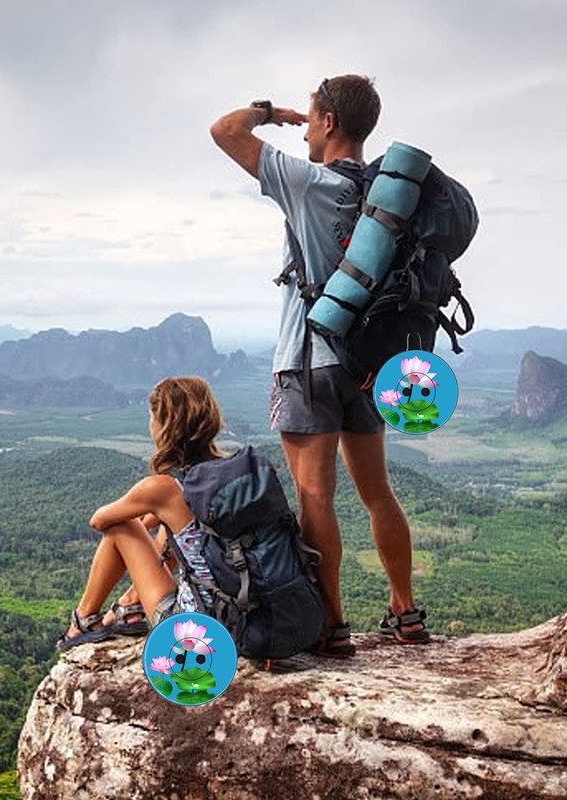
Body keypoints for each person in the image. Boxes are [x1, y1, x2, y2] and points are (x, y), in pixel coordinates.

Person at [209, 75, 429, 656]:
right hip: (370, 362)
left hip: (309, 361)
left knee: (315, 498)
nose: (304, 131)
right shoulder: (387, 196)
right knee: (378, 493)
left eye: (310, 120)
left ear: (329, 123)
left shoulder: (309, 183)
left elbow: (224, 130)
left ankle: (331, 625)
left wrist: (269, 112)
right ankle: (405, 612)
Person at [56, 376, 225, 651]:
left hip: (194, 631)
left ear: (164, 425)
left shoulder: (163, 488)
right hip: (241, 616)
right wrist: (157, 516)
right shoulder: (227, 472)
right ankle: (130, 604)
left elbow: (99, 520)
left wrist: (144, 513)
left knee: (121, 526)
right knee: (174, 530)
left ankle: (83, 620)